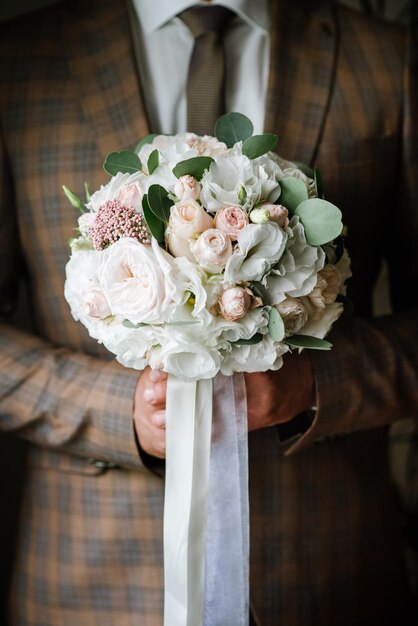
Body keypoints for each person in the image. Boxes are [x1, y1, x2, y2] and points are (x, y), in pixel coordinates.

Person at [0, 0, 417, 624]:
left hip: (328, 573)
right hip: (90, 581)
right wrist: (121, 413)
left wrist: (312, 385)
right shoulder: (17, 61)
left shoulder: (388, 59)